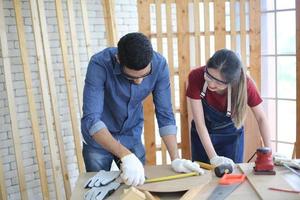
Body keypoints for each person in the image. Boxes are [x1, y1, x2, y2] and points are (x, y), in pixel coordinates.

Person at [81, 32, 203, 187]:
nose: (139, 81)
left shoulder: (159, 65)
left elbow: (165, 114)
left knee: (139, 188)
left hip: (131, 133)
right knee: (97, 189)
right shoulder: (99, 64)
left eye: (145, 75)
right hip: (99, 139)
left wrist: (175, 159)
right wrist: (125, 155)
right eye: (132, 77)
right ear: (119, 60)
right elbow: (91, 119)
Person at [186, 49, 272, 168]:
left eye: (219, 83)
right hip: (202, 134)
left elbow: (261, 118)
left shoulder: (245, 84)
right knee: (202, 177)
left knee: (231, 179)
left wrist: (269, 154)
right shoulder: (196, 76)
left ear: (232, 82)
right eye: (208, 76)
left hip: (231, 136)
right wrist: (214, 158)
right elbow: (200, 123)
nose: (211, 84)